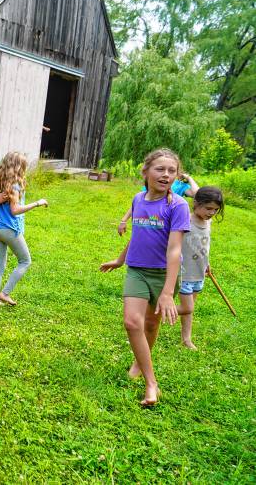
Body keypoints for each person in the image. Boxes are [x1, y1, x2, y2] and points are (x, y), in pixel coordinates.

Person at [100, 148, 190, 406]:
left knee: (151, 325)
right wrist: (119, 260)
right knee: (132, 322)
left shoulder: (178, 206)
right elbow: (138, 233)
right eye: (160, 169)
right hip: (137, 270)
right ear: (146, 171)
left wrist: (167, 292)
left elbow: (174, 251)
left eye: (172, 171)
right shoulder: (138, 199)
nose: (166, 175)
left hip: (164, 274)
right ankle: (152, 384)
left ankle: (139, 364)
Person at [0, 152, 48, 307]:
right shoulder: (15, 186)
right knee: (25, 261)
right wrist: (37, 203)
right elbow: (15, 210)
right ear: (18, 168)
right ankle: (4, 293)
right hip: (10, 230)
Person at [178, 186, 225, 350]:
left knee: (188, 309)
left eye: (216, 209)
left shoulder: (208, 222)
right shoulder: (185, 221)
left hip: (200, 272)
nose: (212, 212)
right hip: (184, 273)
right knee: (186, 307)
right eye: (208, 208)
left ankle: (186, 339)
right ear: (196, 203)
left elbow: (205, 245)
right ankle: (155, 313)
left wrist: (207, 263)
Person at [118, 172, 199, 235]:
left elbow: (196, 193)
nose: (166, 174)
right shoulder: (153, 184)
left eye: (171, 170)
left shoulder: (181, 186)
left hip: (167, 225)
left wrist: (189, 178)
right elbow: (137, 204)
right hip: (148, 223)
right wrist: (123, 221)